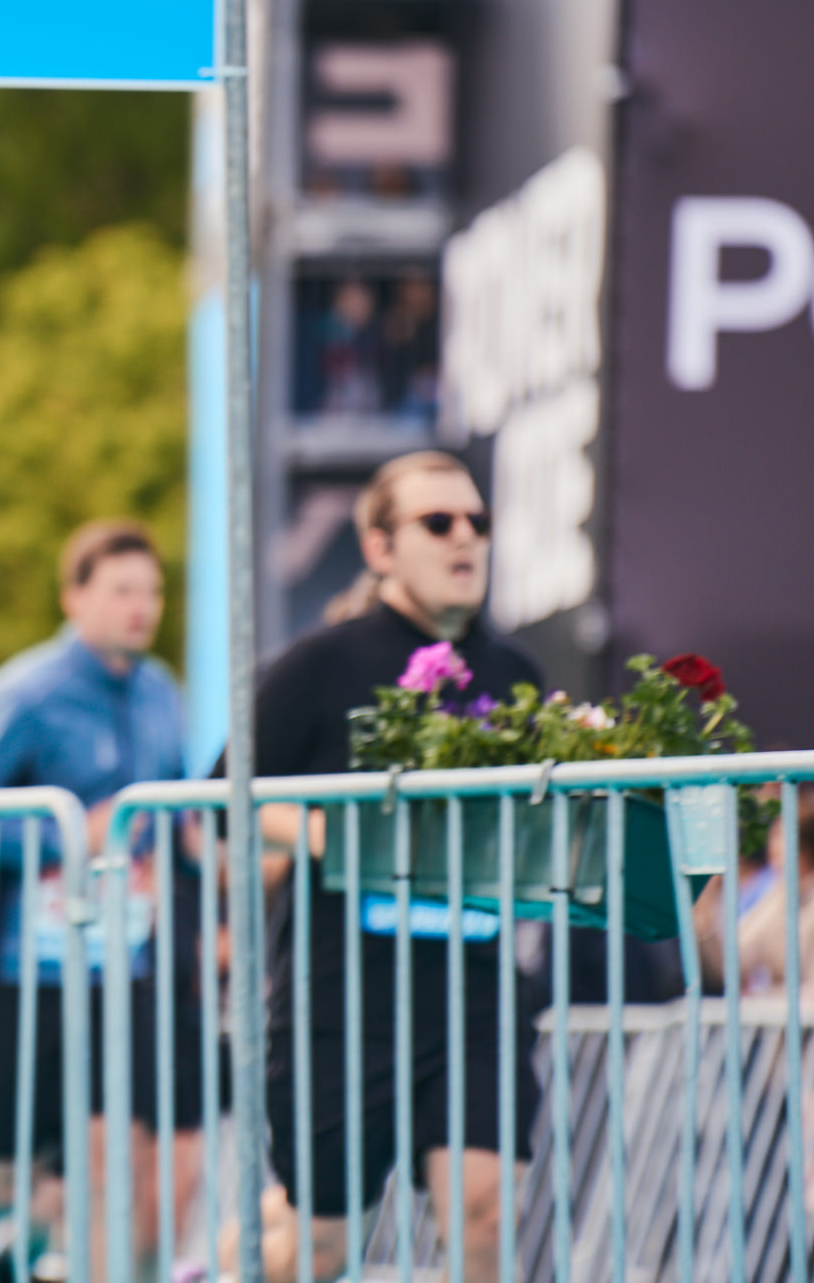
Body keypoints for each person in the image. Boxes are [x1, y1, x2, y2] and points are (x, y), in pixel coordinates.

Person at [232, 450, 539, 1283]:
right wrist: (337, 837)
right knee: (320, 1252)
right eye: (437, 522)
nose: (464, 536)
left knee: (486, 1213)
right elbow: (223, 803)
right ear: (379, 547)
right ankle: (235, 1261)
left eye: (477, 521)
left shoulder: (515, 674)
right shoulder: (320, 664)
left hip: (474, 996)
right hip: (343, 1002)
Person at [0, 520, 190, 1275]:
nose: (142, 607)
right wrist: (67, 835)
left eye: (153, 592)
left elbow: (169, 813)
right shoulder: (29, 692)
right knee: (9, 1170)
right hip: (26, 972)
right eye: (122, 590)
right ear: (74, 597)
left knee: (117, 1152)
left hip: (124, 964)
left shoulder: (163, 693)